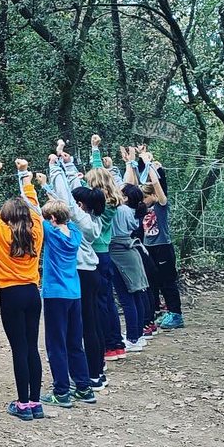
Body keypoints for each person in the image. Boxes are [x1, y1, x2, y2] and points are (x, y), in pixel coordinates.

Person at [0, 159, 45, 422]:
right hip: (32, 293)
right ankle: (36, 403)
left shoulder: (0, 233)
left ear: (6, 219)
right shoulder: (37, 231)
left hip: (11, 294)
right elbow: (35, 206)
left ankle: (23, 403)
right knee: (31, 347)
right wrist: (24, 175)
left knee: (18, 348)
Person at [46, 142, 109, 391]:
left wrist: (54, 169)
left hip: (81, 274)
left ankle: (90, 374)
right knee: (92, 322)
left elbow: (67, 197)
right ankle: (97, 370)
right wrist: (68, 164)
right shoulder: (92, 217)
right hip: (91, 271)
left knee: (84, 327)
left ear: (81, 205)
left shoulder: (78, 219)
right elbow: (75, 192)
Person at [36, 191, 94, 408]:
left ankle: (61, 391)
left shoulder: (51, 232)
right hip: (74, 294)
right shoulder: (75, 233)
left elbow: (35, 215)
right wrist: (53, 195)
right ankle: (83, 387)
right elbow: (69, 217)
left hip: (55, 295)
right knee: (74, 342)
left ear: (51, 219)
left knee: (56, 343)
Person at [128, 150, 184, 330]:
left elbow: (157, 186)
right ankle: (156, 313)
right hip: (148, 247)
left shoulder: (160, 205)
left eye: (146, 197)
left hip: (163, 247)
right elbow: (134, 187)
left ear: (153, 195)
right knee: (152, 281)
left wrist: (149, 164)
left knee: (168, 281)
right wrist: (132, 162)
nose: (143, 200)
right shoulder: (142, 208)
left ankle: (175, 314)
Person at [106, 149, 153, 353]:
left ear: (124, 197)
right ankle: (138, 334)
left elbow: (117, 189)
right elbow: (125, 184)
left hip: (120, 253)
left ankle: (133, 337)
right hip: (130, 251)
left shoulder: (121, 210)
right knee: (136, 294)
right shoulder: (132, 210)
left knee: (126, 297)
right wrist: (116, 168)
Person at [88, 136, 127, 363]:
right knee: (107, 299)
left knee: (100, 301)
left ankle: (109, 345)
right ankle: (116, 343)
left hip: (97, 252)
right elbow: (98, 173)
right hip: (105, 252)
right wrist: (95, 150)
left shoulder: (98, 204)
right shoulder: (111, 198)